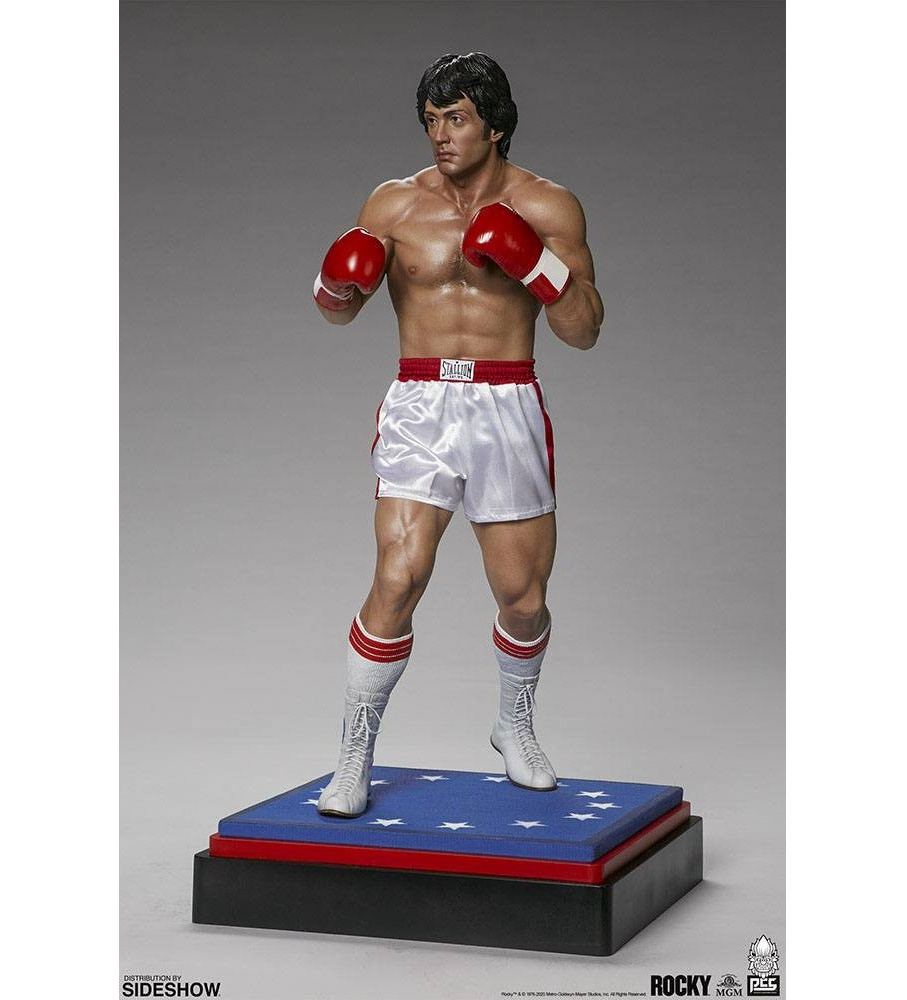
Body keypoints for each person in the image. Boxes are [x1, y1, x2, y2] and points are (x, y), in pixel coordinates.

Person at [312, 52, 604, 817]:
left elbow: (584, 329)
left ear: (495, 125)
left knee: (523, 598)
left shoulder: (549, 205)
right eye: (431, 120)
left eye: (457, 118)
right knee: (399, 575)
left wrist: (533, 262)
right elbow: (338, 309)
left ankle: (514, 724)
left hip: (507, 403)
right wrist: (332, 282)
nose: (440, 134)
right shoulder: (394, 203)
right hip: (420, 403)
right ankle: (353, 754)